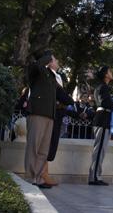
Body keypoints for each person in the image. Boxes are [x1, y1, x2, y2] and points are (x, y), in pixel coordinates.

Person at [24, 50, 59, 189]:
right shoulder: (35, 69)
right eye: (55, 59)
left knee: (43, 150)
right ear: (49, 60)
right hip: (37, 113)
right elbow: (37, 66)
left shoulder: (51, 75)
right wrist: (47, 57)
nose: (57, 62)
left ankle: (38, 178)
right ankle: (30, 177)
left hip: (49, 115)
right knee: (34, 147)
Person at [44, 61, 75, 186]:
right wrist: (67, 100)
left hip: (58, 113)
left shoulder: (57, 76)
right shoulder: (48, 75)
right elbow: (61, 96)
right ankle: (43, 174)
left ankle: (45, 173)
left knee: (51, 145)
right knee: (47, 145)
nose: (57, 61)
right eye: (55, 59)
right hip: (52, 113)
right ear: (49, 63)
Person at [88, 66, 113, 186]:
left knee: (100, 149)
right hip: (102, 119)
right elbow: (106, 102)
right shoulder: (103, 87)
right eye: (110, 71)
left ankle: (96, 175)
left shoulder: (102, 87)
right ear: (106, 74)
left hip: (103, 119)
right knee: (99, 150)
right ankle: (94, 177)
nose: (112, 73)